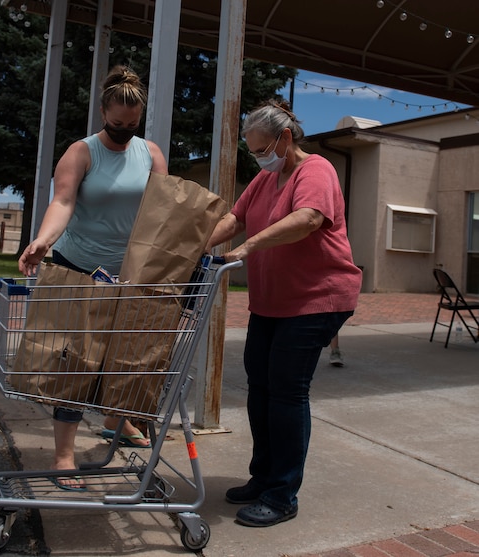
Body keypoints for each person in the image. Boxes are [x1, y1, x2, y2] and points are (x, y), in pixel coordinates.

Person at [205, 100, 362, 527]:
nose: (259, 157)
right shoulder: (264, 178)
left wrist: (249, 247)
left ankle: (282, 494)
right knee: (260, 385)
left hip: (317, 298)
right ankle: (264, 477)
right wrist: (195, 246)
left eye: (261, 149)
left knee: (287, 390)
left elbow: (308, 218)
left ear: (285, 138)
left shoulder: (317, 171)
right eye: (253, 151)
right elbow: (234, 219)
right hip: (273, 301)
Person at [18, 65, 168, 491]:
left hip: (128, 274)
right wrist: (43, 241)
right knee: (75, 364)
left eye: (132, 124)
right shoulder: (82, 152)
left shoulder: (151, 154)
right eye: (116, 123)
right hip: (80, 269)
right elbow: (62, 201)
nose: (123, 130)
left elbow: (160, 211)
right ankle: (64, 456)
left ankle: (116, 420)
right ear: (103, 111)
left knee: (124, 357)